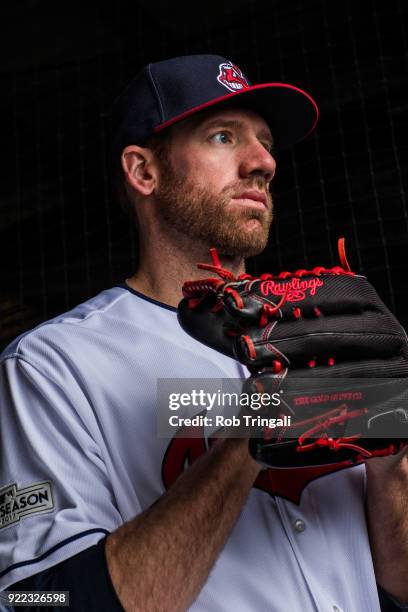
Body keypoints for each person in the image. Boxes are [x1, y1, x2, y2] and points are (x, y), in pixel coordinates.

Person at [0, 54, 407, 612]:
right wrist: (252, 432)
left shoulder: (324, 339)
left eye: (265, 142)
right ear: (144, 171)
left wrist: (394, 462)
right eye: (223, 137)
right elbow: (38, 601)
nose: (263, 161)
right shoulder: (53, 364)